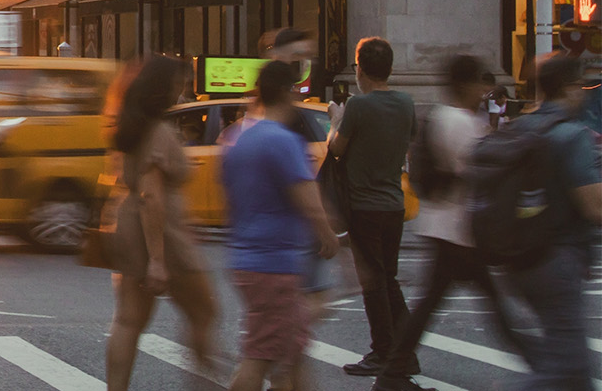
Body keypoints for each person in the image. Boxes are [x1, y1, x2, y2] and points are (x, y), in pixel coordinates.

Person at [371, 55, 521, 391]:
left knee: (441, 303)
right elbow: (478, 171)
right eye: (480, 84)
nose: (484, 91)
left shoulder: (443, 116)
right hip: (459, 230)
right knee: (489, 305)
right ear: (466, 85)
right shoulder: (460, 122)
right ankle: (545, 364)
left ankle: (392, 374)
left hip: (447, 227)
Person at [221, 60, 341, 391]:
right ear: (287, 93)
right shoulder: (282, 140)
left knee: (289, 354)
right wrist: (328, 237)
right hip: (274, 264)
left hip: (249, 259)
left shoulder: (236, 139)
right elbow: (307, 197)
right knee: (260, 357)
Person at [101, 55, 218, 391]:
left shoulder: (131, 125)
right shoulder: (160, 131)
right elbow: (152, 196)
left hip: (128, 225)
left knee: (128, 319)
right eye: (181, 82)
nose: (184, 89)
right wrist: (157, 260)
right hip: (161, 234)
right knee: (205, 311)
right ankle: (206, 381)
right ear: (165, 87)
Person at [501, 52, 602, 390]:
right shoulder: (572, 135)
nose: (584, 93)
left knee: (569, 368)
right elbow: (594, 208)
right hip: (556, 260)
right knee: (567, 369)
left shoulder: (520, 126)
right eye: (580, 86)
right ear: (569, 88)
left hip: (519, 258)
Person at [327, 37, 417, 377]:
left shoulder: (359, 107)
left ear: (360, 68)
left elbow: (337, 150)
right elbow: (408, 140)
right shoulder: (406, 103)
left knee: (373, 284)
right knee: (388, 279)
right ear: (391, 68)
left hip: (364, 205)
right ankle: (403, 352)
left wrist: (336, 119)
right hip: (393, 204)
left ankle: (384, 351)